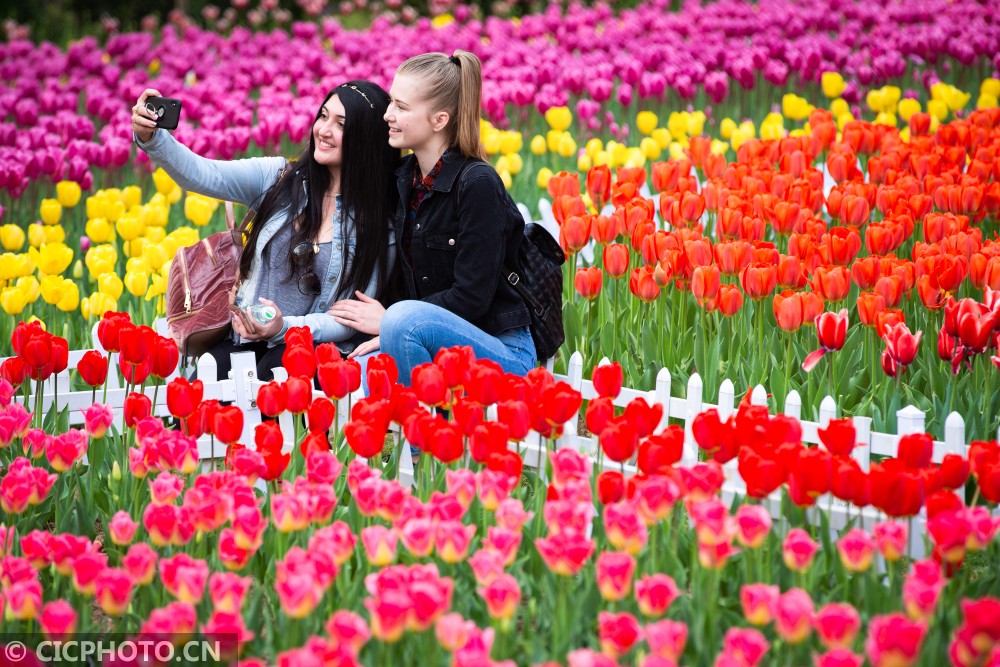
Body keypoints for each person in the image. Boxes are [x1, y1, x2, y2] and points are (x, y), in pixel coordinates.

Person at [131, 81, 399, 381]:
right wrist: (153, 138)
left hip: (308, 354)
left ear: (366, 138)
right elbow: (203, 174)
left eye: (341, 124)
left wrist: (285, 327)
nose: (324, 130)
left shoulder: (376, 224)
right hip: (243, 339)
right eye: (323, 116)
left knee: (274, 376)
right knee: (202, 386)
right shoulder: (278, 178)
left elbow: (351, 319)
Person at [329, 50, 536, 385]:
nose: (387, 115)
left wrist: (392, 321)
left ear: (439, 120)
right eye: (390, 102)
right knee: (355, 376)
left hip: (500, 351)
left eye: (401, 107)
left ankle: (427, 436)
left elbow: (471, 298)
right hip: (428, 341)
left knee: (400, 320)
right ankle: (430, 427)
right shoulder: (404, 179)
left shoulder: (477, 184)